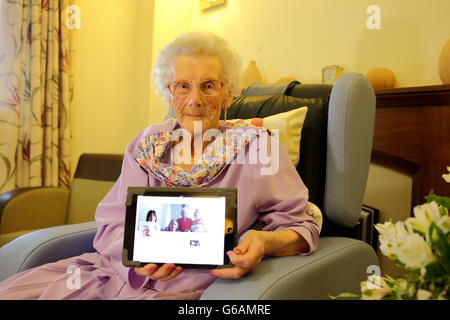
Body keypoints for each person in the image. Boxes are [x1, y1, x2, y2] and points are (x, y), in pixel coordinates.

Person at [0, 32, 320, 300]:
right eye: (182, 86)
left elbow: (301, 226)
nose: (194, 99)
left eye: (208, 85)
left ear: (227, 94)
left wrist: (264, 243)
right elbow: (112, 223)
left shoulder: (259, 147)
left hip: (189, 292)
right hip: (114, 279)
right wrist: (135, 265)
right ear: (169, 93)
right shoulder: (147, 142)